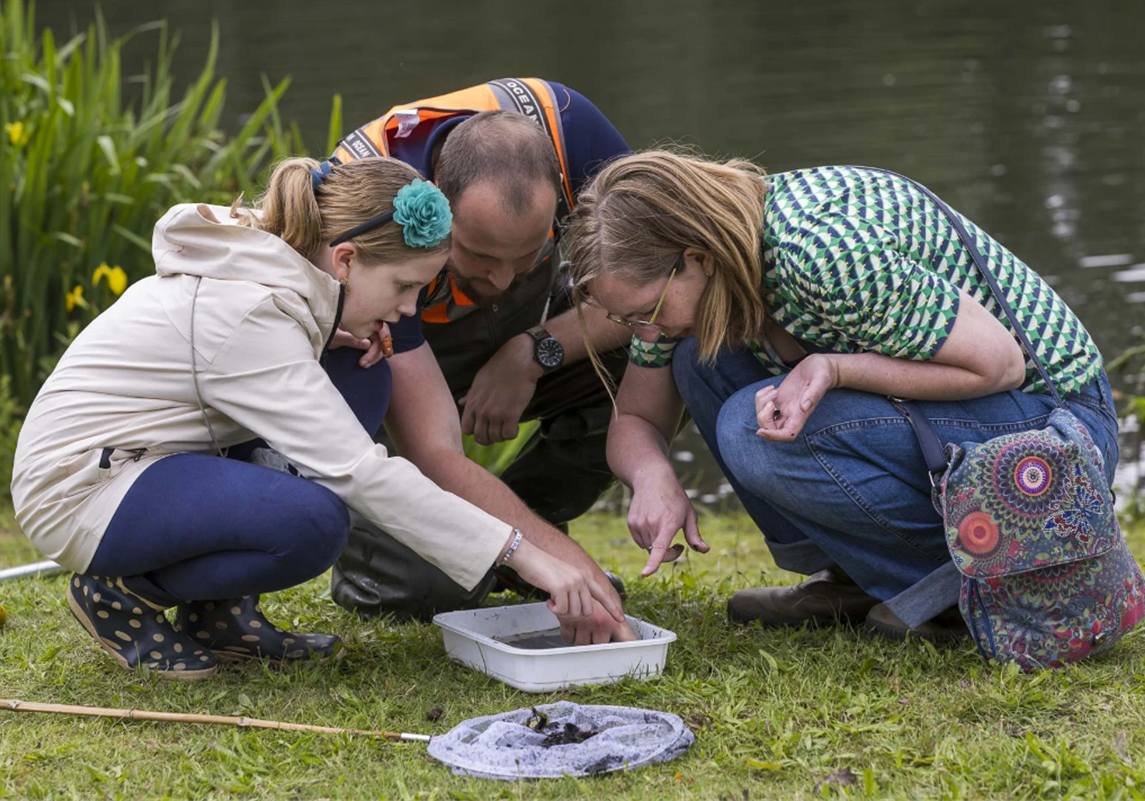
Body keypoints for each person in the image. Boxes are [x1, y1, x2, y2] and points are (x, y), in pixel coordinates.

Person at [10, 156, 626, 681]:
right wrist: (523, 554)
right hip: (83, 487)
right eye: (404, 287)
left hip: (158, 457)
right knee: (311, 524)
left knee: (360, 374)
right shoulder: (248, 313)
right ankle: (120, 593)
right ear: (346, 260)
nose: (407, 309)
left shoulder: (281, 276)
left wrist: (332, 330)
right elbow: (359, 471)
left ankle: (219, 616)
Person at [565, 153, 1122, 642]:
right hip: (985, 413)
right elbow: (635, 415)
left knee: (748, 428)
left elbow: (1000, 363)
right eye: (629, 319)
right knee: (699, 358)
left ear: (697, 258)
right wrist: (651, 475)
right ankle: (854, 577)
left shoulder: (821, 254)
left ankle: (972, 582)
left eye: (650, 312)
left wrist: (833, 367)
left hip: (1056, 430)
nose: (647, 333)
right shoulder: (701, 266)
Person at [326, 78, 637, 632]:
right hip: (392, 357)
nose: (502, 279)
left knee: (665, 343)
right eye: (480, 254)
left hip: (525, 329)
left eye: (529, 253)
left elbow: (655, 288)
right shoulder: (376, 196)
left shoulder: (577, 133)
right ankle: (386, 558)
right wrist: (572, 564)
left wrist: (533, 351)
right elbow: (434, 449)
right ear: (436, 203)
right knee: (432, 590)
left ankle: (526, 525)